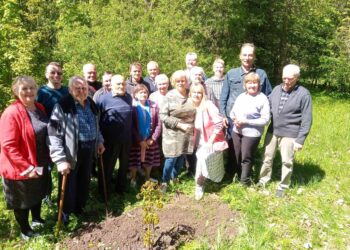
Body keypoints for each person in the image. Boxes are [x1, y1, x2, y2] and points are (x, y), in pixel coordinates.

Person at [47, 76, 105, 224]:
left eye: (84, 88)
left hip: (89, 149)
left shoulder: (91, 103)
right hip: (70, 151)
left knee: (84, 181)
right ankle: (65, 214)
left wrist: (99, 141)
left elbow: (96, 125)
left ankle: (80, 208)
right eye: (77, 88)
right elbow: (53, 134)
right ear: (70, 89)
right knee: (69, 184)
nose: (81, 91)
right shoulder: (62, 105)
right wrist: (60, 159)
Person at [0, 76, 51, 240]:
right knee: (22, 200)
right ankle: (25, 230)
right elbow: (8, 145)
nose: (29, 91)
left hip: (39, 160)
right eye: (24, 88)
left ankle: (37, 219)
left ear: (37, 89)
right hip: (19, 166)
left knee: (37, 192)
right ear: (16, 91)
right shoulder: (11, 113)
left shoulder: (39, 107)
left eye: (32, 87)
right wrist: (26, 167)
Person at [258, 64, 312, 197]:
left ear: (297, 78)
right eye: (284, 78)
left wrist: (300, 140)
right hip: (272, 131)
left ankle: (283, 185)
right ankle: (263, 180)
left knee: (287, 161)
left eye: (290, 79)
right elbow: (267, 107)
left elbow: (307, 119)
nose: (286, 81)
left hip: (290, 133)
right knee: (267, 157)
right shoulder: (276, 89)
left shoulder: (303, 94)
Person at [219, 43, 272, 179]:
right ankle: (231, 173)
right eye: (244, 54)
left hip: (252, 123)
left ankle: (245, 175)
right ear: (240, 56)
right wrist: (224, 115)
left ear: (254, 56)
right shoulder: (231, 73)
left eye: (250, 55)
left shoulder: (261, 74)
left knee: (247, 151)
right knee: (233, 149)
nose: (247, 58)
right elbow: (224, 97)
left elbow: (268, 95)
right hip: (233, 120)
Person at [36, 62, 69, 206]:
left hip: (66, 136)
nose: (56, 76)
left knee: (64, 166)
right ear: (46, 74)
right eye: (52, 72)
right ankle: (46, 196)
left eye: (59, 73)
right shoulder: (40, 93)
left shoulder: (67, 91)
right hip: (45, 136)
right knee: (46, 168)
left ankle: (63, 197)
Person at [229, 72, 270, 186]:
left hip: (252, 134)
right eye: (249, 83)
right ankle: (236, 176)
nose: (252, 85)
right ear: (245, 85)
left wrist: (246, 121)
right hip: (237, 131)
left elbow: (265, 120)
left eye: (254, 83)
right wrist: (235, 119)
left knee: (246, 157)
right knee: (236, 155)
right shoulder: (241, 96)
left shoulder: (262, 98)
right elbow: (232, 112)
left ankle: (245, 182)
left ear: (259, 84)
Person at [159, 70, 196, 192]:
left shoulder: (190, 94)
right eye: (178, 81)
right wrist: (179, 124)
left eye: (183, 80)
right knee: (171, 159)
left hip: (186, 134)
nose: (181, 83)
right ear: (173, 82)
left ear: (186, 82)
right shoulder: (169, 96)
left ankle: (174, 177)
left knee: (181, 157)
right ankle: (164, 181)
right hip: (172, 134)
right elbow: (163, 116)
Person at [96, 75, 133, 197]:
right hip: (109, 141)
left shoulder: (129, 97)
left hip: (126, 140)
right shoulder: (103, 99)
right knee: (107, 168)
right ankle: (104, 192)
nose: (121, 86)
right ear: (111, 85)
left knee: (124, 166)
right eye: (118, 84)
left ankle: (120, 189)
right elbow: (97, 120)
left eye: (123, 84)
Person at [189, 84, 228, 200]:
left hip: (211, 141)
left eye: (199, 92)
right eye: (194, 92)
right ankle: (201, 184)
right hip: (200, 142)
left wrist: (210, 141)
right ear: (190, 94)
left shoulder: (208, 105)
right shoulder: (191, 107)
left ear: (203, 94)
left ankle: (199, 185)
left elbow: (219, 123)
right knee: (202, 163)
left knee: (202, 163)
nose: (196, 94)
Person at [129, 84, 161, 187]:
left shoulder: (154, 105)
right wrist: (139, 140)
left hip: (150, 140)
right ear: (135, 95)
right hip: (136, 141)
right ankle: (133, 179)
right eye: (140, 92)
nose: (143, 94)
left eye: (145, 92)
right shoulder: (133, 107)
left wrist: (153, 138)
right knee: (134, 160)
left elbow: (159, 124)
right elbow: (131, 125)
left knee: (149, 160)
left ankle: (147, 178)